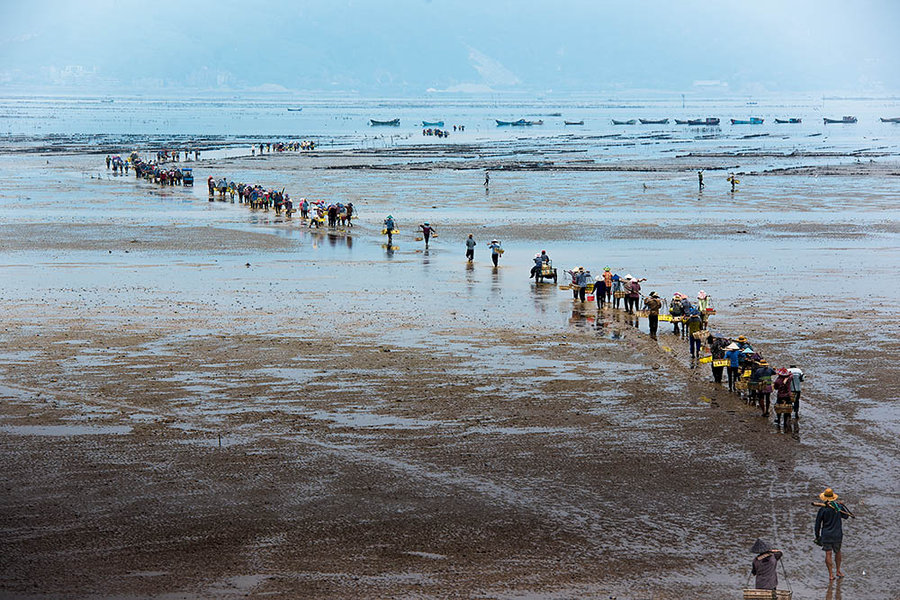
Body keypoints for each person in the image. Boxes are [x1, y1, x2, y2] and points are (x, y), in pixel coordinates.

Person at [815, 488, 849, 581]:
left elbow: (817, 524)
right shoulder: (838, 508)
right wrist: (843, 506)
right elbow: (846, 516)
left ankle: (830, 574)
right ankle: (838, 571)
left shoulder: (823, 509)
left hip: (826, 535)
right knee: (838, 552)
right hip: (837, 534)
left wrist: (817, 536)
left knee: (828, 553)